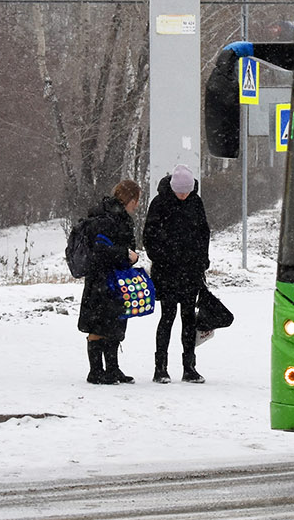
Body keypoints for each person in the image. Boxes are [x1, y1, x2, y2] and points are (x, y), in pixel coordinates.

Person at [144, 165, 211, 384]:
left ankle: (189, 366)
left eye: (186, 192)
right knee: (168, 317)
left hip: (191, 272)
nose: (183, 196)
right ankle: (160, 368)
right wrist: (163, 257)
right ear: (172, 188)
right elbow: (149, 237)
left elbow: (203, 233)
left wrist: (202, 260)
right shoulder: (159, 203)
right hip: (167, 272)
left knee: (188, 318)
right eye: (180, 192)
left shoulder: (195, 202)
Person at [77, 179, 142, 385]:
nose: (137, 205)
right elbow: (100, 251)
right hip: (103, 280)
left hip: (112, 279)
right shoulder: (107, 218)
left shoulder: (114, 216)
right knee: (99, 325)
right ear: (129, 199)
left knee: (114, 322)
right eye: (136, 200)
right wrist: (125, 253)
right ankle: (96, 371)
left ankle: (112, 369)